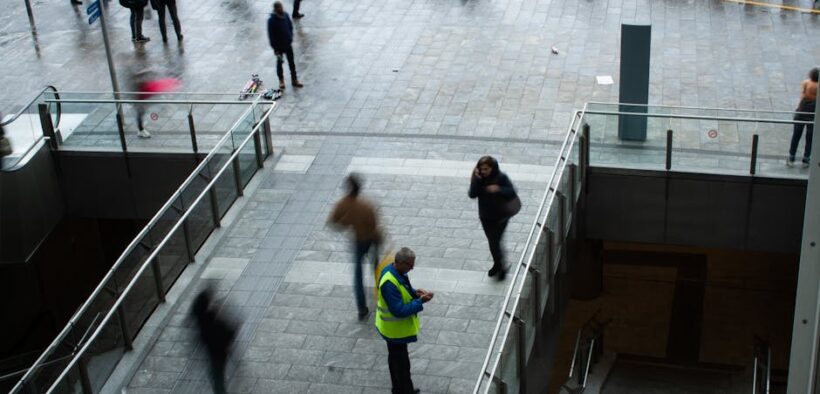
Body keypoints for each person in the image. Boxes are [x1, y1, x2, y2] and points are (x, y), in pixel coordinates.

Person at [376, 247, 433, 394]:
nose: (412, 268)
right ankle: (404, 390)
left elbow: (403, 291)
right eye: (410, 264)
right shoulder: (389, 282)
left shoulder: (396, 272)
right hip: (394, 331)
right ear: (400, 262)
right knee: (401, 365)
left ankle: (399, 389)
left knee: (398, 362)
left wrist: (414, 293)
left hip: (395, 330)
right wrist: (420, 302)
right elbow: (399, 310)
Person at [328, 174, 383, 320]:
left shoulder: (342, 204)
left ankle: (361, 308)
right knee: (377, 269)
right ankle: (384, 296)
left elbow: (333, 222)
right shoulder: (366, 205)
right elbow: (374, 224)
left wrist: (348, 221)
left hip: (358, 242)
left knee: (358, 275)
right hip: (372, 239)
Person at [469, 156, 519, 281]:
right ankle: (498, 264)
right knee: (493, 242)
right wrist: (476, 180)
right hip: (485, 217)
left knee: (494, 242)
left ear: (493, 168)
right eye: (481, 169)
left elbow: (511, 191)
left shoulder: (501, 177)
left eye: (486, 169)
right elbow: (472, 194)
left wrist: (498, 189)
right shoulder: (479, 179)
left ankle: (500, 267)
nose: (484, 171)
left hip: (501, 217)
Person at [191, 287, 236, 394]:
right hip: (219, 352)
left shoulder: (202, 322)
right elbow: (229, 331)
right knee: (217, 376)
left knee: (216, 377)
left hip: (214, 352)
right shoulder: (212, 318)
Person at [267, 1, 304, 90]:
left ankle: (294, 80)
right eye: (279, 7)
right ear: (275, 9)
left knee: (292, 63)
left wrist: (290, 37)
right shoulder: (271, 20)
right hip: (279, 46)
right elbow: (271, 35)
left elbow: (290, 26)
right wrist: (274, 48)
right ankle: (281, 81)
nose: (281, 8)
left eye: (281, 7)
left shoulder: (286, 15)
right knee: (279, 63)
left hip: (288, 44)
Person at [788, 67, 818, 167]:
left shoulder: (806, 83)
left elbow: (802, 95)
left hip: (801, 112)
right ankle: (806, 158)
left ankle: (792, 156)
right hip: (813, 115)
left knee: (796, 136)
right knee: (809, 138)